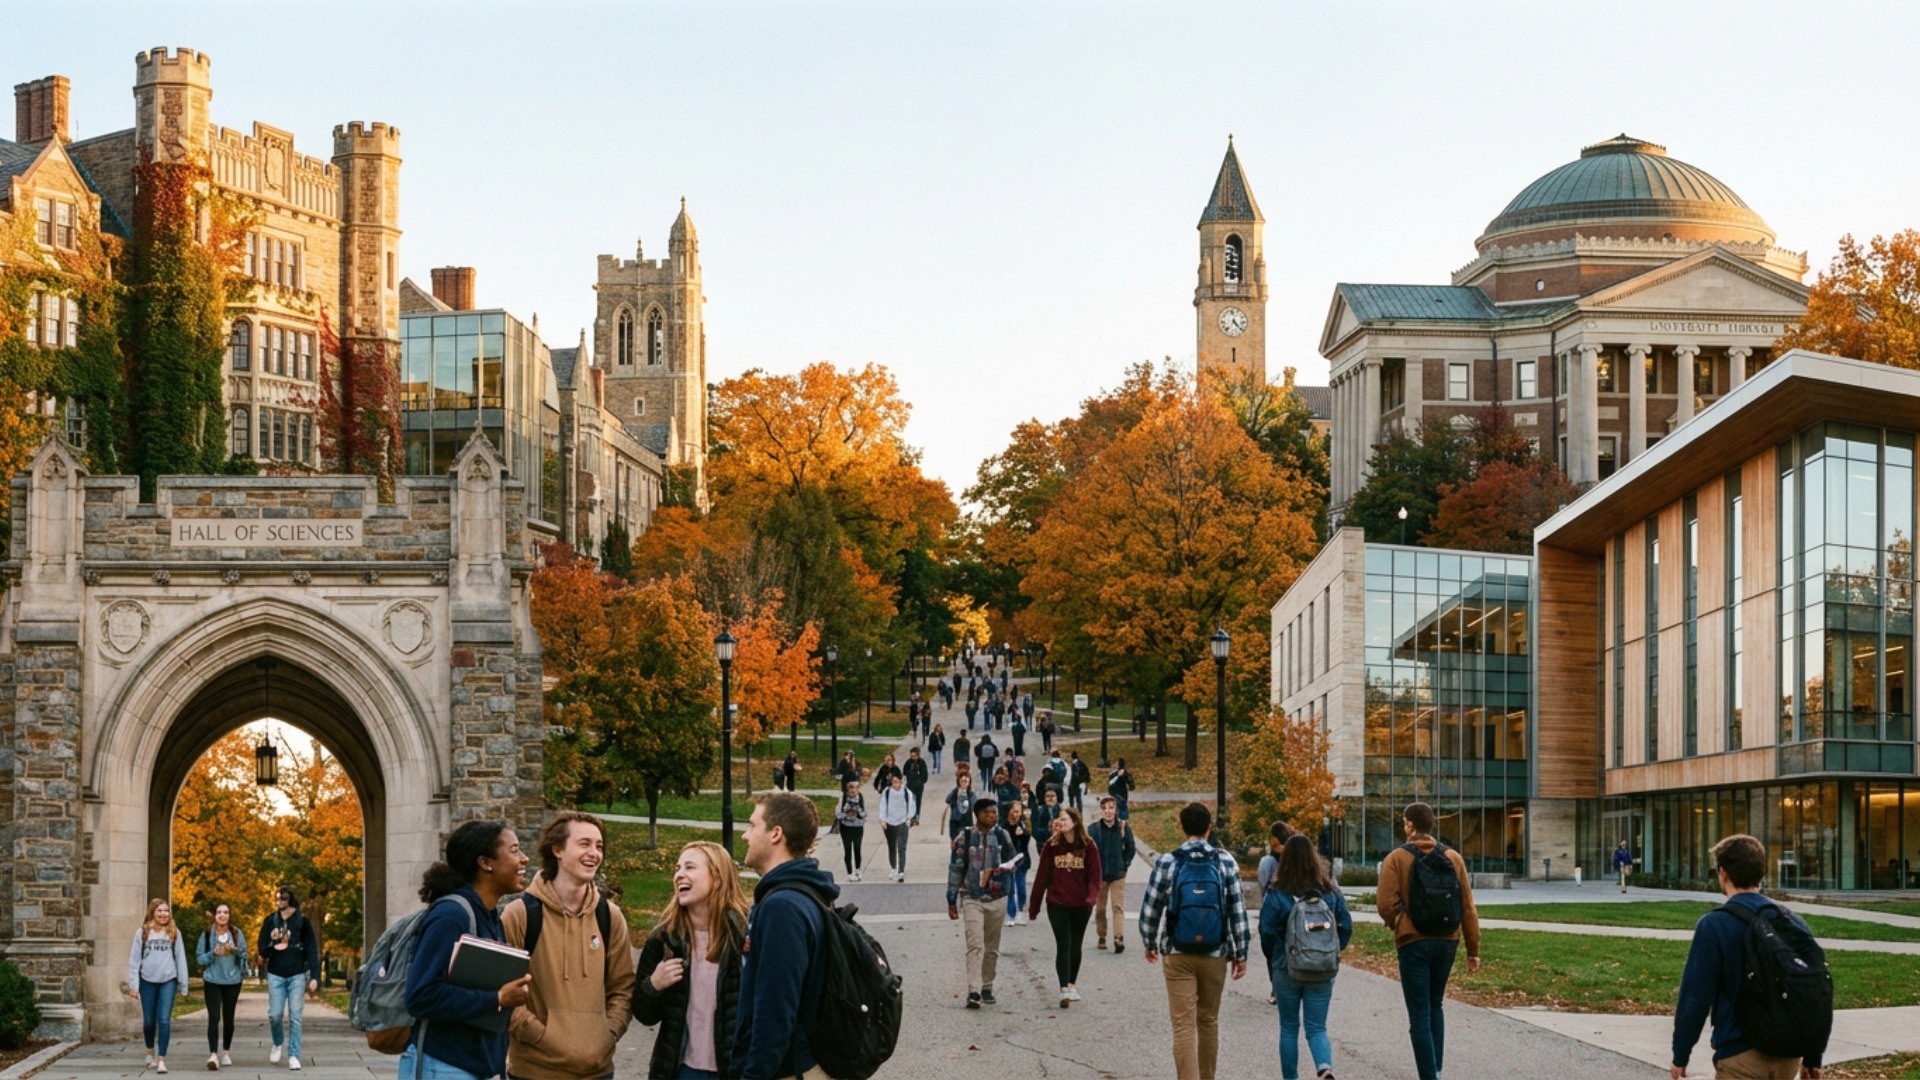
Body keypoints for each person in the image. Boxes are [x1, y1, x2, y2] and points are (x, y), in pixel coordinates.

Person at [1670, 834, 1827, 1080]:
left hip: (1739, 1056)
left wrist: (1680, 1054)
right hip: (1788, 1057)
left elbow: (1695, 998)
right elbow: (1813, 990)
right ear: (1761, 874)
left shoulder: (1714, 925)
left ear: (1722, 874)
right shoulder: (1792, 921)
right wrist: (1812, 1056)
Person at [501, 812, 635, 1080]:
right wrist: (539, 1035)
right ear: (557, 849)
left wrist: (607, 1035)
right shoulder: (521, 914)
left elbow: (623, 988)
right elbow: (502, 993)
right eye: (584, 843)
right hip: (533, 1072)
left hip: (598, 1072)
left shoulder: (609, 916)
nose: (594, 853)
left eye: (599, 846)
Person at [402, 821, 534, 1080]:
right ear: (486, 863)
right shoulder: (451, 916)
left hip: (477, 1066)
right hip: (443, 1064)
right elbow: (419, 995)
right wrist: (496, 999)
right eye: (515, 850)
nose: (524, 859)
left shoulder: (489, 916)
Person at [1138, 802, 1250, 1080]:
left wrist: (1150, 942)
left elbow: (1151, 908)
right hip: (1215, 953)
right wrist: (1241, 952)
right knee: (1208, 1021)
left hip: (1178, 952)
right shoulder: (1225, 862)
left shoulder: (1168, 861)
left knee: (1183, 1025)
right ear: (1210, 827)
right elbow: (1237, 911)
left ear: (1181, 826)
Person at [735, 792, 837, 1079]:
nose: (745, 835)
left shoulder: (782, 908)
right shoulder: (803, 894)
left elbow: (775, 1014)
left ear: (775, 834)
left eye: (753, 825)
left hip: (790, 1070)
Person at [1377, 801, 1481, 1080]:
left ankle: (1429, 1077)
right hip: (1448, 941)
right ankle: (1436, 1069)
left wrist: (1401, 924)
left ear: (1410, 825)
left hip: (1414, 943)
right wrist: (1473, 949)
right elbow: (1468, 907)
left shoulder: (1396, 858)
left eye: (1404, 821)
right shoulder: (1454, 858)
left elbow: (1385, 903)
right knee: (1436, 1005)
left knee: (1419, 1013)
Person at [635, 840, 748, 1080]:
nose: (679, 875)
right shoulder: (663, 940)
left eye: (689, 867)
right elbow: (644, 1015)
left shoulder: (745, 938)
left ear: (717, 877)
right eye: (677, 868)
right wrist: (653, 985)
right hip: (680, 1070)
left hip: (733, 1070)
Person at [1260, 835, 1354, 1080]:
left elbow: (1266, 930)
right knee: (1317, 1027)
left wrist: (1275, 958)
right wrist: (1332, 952)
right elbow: (1345, 924)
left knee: (1289, 1028)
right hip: (1322, 967)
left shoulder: (1277, 892)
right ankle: (1324, 1067)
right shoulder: (1329, 891)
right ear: (1314, 859)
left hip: (1286, 967)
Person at [1029, 806, 1102, 1009]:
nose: (1060, 822)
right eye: (1059, 819)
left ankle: (1072, 984)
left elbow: (1095, 877)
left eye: (1064, 819)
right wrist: (1034, 907)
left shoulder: (1089, 846)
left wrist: (1091, 899)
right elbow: (1041, 877)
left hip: (1081, 904)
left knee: (1075, 944)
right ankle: (1063, 988)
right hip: (1057, 903)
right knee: (1064, 944)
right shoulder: (1051, 846)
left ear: (1075, 822)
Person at [947, 800, 1015, 1008]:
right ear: (977, 815)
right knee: (975, 945)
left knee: (991, 947)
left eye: (994, 812)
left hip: (997, 898)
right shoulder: (965, 837)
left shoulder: (1003, 836)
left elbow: (1014, 861)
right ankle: (974, 990)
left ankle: (987, 985)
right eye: (987, 813)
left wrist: (1007, 874)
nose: (992, 816)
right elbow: (956, 867)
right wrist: (951, 898)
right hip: (972, 897)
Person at [257, 885, 321, 1070]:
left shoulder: (302, 921)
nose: (279, 902)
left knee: (295, 1017)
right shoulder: (270, 920)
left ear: (290, 899)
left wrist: (315, 976)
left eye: (283, 898)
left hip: (297, 975)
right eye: (277, 899)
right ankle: (278, 1042)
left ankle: (294, 1055)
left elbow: (311, 950)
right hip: (276, 974)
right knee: (275, 1015)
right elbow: (262, 949)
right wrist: (272, 941)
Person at [128, 898, 189, 1074]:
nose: (164, 914)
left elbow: (180, 959)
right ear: (152, 913)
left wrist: (183, 984)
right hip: (147, 981)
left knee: (164, 1020)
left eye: (166, 911)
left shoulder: (173, 933)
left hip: (168, 980)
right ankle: (149, 1051)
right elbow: (134, 961)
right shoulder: (143, 933)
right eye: (159, 911)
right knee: (149, 1022)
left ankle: (161, 1058)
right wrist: (134, 985)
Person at [196, 902, 249, 1070]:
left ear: (229, 915)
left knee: (228, 1017)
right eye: (219, 912)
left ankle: (226, 1051)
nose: (222, 915)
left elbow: (244, 955)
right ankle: (213, 1054)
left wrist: (235, 950)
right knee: (213, 1017)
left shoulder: (237, 933)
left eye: (225, 912)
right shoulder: (206, 935)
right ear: (214, 915)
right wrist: (213, 953)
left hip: (232, 981)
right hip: (212, 980)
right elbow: (200, 959)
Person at [1089, 795, 1136, 953]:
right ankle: (1102, 935)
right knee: (1100, 908)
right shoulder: (1093, 829)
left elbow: (1131, 848)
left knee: (1117, 907)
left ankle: (1118, 937)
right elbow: (1088, 852)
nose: (1108, 811)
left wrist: (1125, 864)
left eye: (1111, 808)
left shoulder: (1123, 827)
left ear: (1116, 810)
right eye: (1105, 808)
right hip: (1100, 875)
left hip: (1118, 873)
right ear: (1101, 811)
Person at [879, 772, 917, 882]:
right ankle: (893, 868)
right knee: (892, 846)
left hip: (902, 822)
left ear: (901, 782)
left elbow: (911, 805)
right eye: (894, 782)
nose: (896, 784)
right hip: (890, 822)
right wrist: (883, 820)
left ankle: (901, 870)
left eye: (897, 782)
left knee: (902, 847)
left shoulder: (906, 792)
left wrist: (909, 818)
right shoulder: (887, 792)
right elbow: (883, 806)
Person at [1003, 801, 1033, 926]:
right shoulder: (1004, 826)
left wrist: (1023, 834)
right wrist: (1014, 835)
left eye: (1019, 811)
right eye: (1014, 810)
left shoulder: (1023, 824)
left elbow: (1026, 844)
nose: (1016, 813)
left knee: (1021, 886)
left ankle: (1020, 911)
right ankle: (1011, 914)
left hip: (1022, 861)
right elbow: (1005, 844)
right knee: (1010, 888)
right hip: (1009, 861)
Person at [836, 780, 868, 882]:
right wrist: (847, 813)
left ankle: (858, 870)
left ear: (858, 790)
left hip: (858, 827)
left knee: (857, 848)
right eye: (851, 788)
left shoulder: (860, 799)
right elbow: (838, 814)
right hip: (846, 827)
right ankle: (850, 873)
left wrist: (858, 812)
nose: (853, 791)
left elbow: (864, 815)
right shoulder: (843, 799)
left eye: (855, 788)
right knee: (848, 850)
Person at [944, 771, 980, 842]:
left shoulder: (971, 795)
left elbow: (976, 807)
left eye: (966, 781)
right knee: (955, 844)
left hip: (967, 823)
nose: (964, 783)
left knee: (966, 845)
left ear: (969, 782)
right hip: (955, 822)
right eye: (962, 781)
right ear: (959, 782)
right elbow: (947, 800)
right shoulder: (954, 792)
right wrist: (956, 790)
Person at [903, 747, 930, 824]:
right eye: (912, 755)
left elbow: (925, 774)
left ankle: (916, 815)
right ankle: (911, 816)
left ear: (918, 755)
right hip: (910, 785)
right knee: (910, 801)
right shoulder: (908, 762)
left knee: (917, 800)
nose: (913, 757)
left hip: (918, 786)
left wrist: (921, 780)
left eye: (914, 756)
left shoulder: (921, 763)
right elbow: (904, 771)